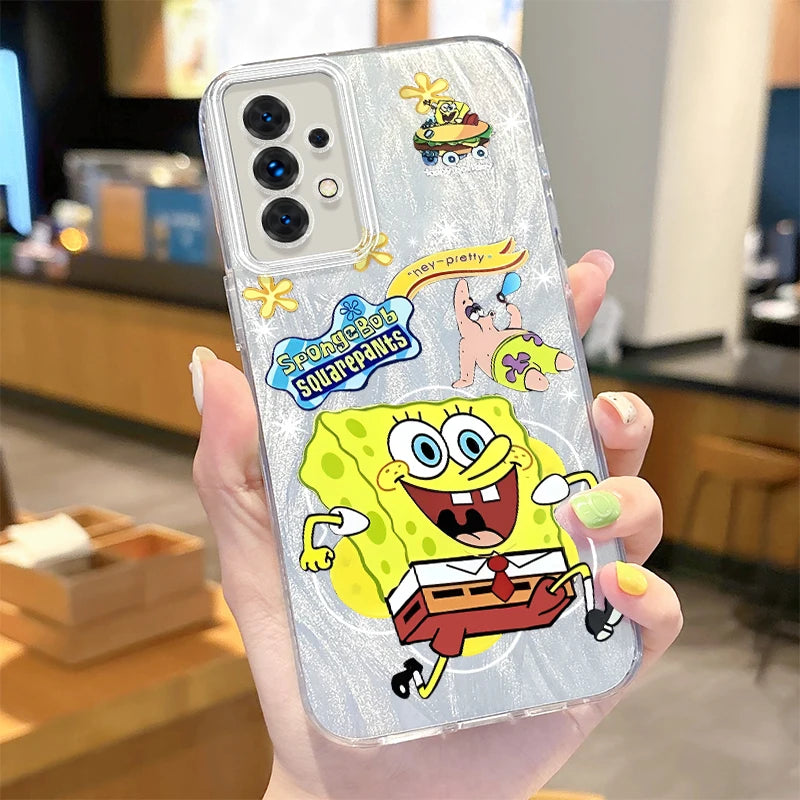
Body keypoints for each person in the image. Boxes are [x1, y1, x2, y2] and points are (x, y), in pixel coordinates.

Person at [190, 249, 683, 800]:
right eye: (427, 453)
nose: (464, 469)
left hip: (521, 584)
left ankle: (581, 606)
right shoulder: (360, 460)